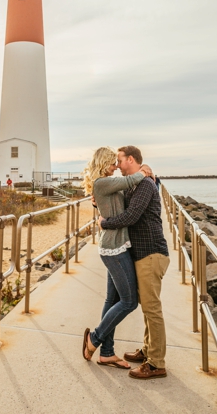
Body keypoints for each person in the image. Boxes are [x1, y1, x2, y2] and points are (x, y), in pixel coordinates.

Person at [100, 145, 170, 380]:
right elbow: (120, 204)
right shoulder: (137, 183)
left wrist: (104, 223)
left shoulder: (144, 184)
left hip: (151, 253)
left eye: (120, 160)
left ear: (131, 159)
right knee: (147, 307)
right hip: (141, 253)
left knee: (152, 309)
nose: (117, 165)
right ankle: (148, 350)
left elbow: (131, 216)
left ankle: (156, 363)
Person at [80, 146, 151, 369]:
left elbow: (119, 199)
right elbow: (130, 182)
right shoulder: (102, 183)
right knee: (129, 302)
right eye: (113, 162)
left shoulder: (105, 183)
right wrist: (145, 172)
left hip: (118, 246)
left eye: (118, 162)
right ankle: (95, 338)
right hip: (114, 249)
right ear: (104, 163)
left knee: (112, 301)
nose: (117, 166)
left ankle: (107, 353)